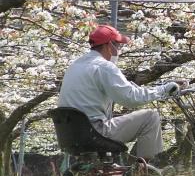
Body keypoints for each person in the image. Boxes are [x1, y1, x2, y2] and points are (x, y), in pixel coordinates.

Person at [58, 24, 179, 160]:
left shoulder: (75, 66)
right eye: (119, 46)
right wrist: (163, 90)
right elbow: (130, 98)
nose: (119, 51)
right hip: (95, 132)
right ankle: (148, 172)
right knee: (151, 117)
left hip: (69, 134)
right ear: (109, 45)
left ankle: (133, 168)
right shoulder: (104, 66)